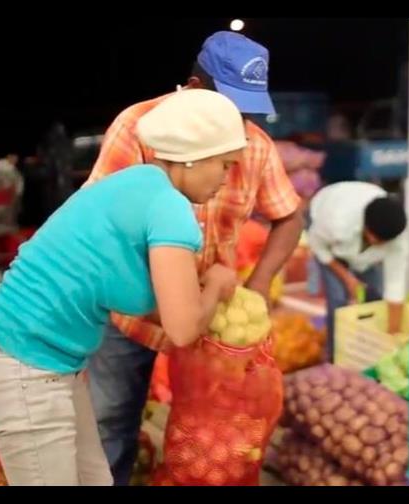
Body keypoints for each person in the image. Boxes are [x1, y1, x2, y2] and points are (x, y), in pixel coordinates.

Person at [0, 89, 245, 485]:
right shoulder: (169, 206)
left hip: (40, 363)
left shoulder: (136, 184)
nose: (226, 179)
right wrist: (218, 284)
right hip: (23, 367)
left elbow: (152, 303)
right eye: (224, 165)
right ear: (194, 156)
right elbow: (182, 328)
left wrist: (198, 293)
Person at [83, 31, 303, 485]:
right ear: (195, 87)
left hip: (211, 321)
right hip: (130, 315)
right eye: (231, 108)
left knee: (212, 435)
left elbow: (289, 216)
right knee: (110, 422)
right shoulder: (137, 127)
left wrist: (258, 285)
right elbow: (101, 231)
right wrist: (174, 302)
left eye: (247, 112)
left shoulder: (255, 145)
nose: (239, 124)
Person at [307, 181, 409, 361]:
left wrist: (393, 337)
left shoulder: (397, 241)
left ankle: (366, 349)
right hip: (328, 243)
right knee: (338, 299)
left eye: (384, 243)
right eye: (376, 239)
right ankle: (334, 356)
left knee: (375, 295)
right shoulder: (335, 222)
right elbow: (318, 247)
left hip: (358, 251)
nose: (379, 244)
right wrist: (347, 278)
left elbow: (395, 285)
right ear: (366, 227)